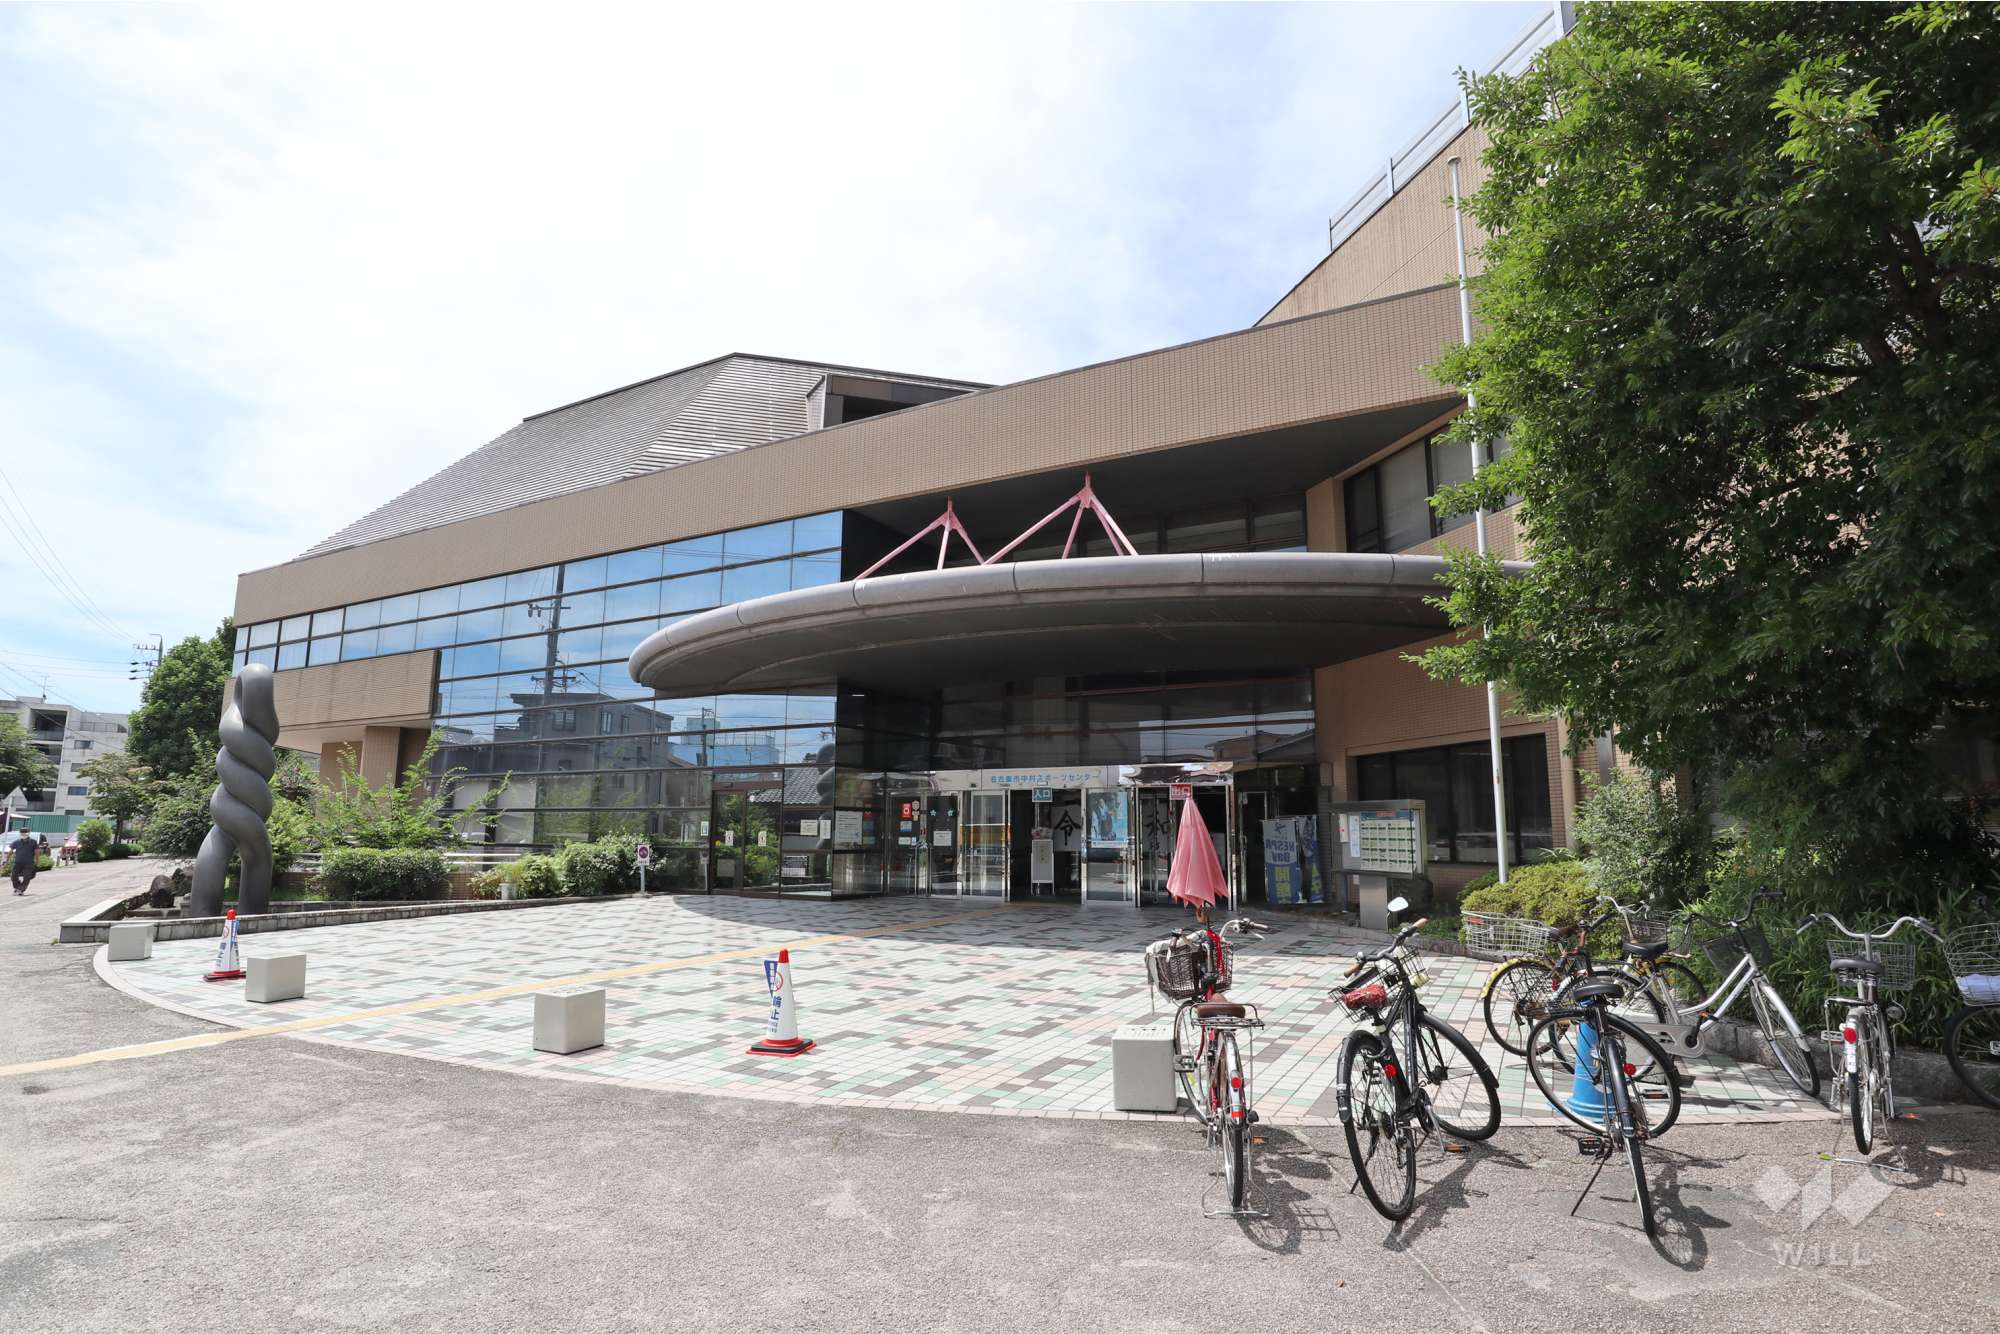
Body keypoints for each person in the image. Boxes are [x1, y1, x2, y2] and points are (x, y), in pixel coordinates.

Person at [8, 827, 38, 895]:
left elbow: (36, 851)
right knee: (13, 876)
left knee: (27, 877)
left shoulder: (33, 842)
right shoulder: (17, 842)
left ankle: (21, 890)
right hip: (17, 863)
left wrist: (37, 860)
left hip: (29, 863)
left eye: (25, 832)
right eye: (22, 833)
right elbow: (11, 851)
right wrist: (6, 859)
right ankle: (17, 888)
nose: (23, 834)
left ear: (28, 833)